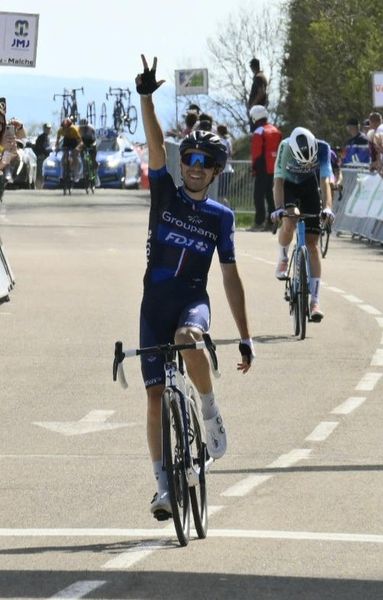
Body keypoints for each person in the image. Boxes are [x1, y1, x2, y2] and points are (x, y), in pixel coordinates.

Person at [135, 54, 254, 519]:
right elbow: (156, 142)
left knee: (188, 340)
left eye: (205, 162)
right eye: (190, 160)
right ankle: (162, 487)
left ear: (217, 170)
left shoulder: (220, 218)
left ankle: (208, 408)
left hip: (191, 302)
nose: (195, 167)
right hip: (153, 305)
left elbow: (229, 277)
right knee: (152, 396)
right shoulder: (164, 192)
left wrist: (244, 337)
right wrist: (146, 97)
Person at [271, 127, 335, 321]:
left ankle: (315, 302)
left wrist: (328, 208)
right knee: (290, 220)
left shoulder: (323, 149)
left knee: (312, 245)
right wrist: (279, 208)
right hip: (289, 187)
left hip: (309, 186)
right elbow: (279, 182)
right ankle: (283, 257)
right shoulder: (284, 147)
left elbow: (325, 182)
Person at [249, 105, 282, 231]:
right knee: (271, 196)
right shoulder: (276, 130)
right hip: (275, 168)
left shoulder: (259, 131)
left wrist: (254, 168)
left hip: (262, 167)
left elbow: (256, 153)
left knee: (258, 196)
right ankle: (272, 222)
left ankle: (259, 222)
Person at [55, 117, 83, 182]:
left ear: (70, 126)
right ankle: (63, 173)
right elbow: (57, 141)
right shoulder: (60, 130)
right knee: (64, 157)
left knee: (75, 156)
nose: (66, 129)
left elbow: (81, 142)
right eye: (64, 128)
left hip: (75, 141)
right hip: (66, 141)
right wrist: (56, 147)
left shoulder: (74, 129)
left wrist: (77, 148)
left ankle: (76, 174)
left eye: (67, 128)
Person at [216, 124, 234, 205]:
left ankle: (228, 211)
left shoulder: (222, 141)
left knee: (220, 195)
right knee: (221, 195)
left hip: (224, 171)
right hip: (228, 170)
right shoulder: (228, 140)